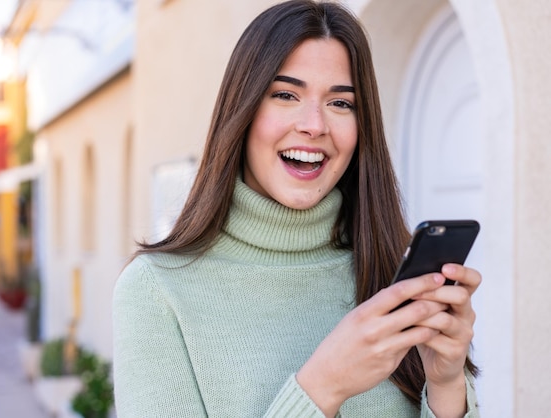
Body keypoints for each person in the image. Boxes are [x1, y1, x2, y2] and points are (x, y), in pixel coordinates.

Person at [112, 1, 481, 417]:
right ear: (243, 110)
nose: (315, 124)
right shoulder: (157, 292)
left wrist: (446, 383)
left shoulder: (391, 277)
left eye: (341, 103)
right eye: (286, 95)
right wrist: (323, 387)